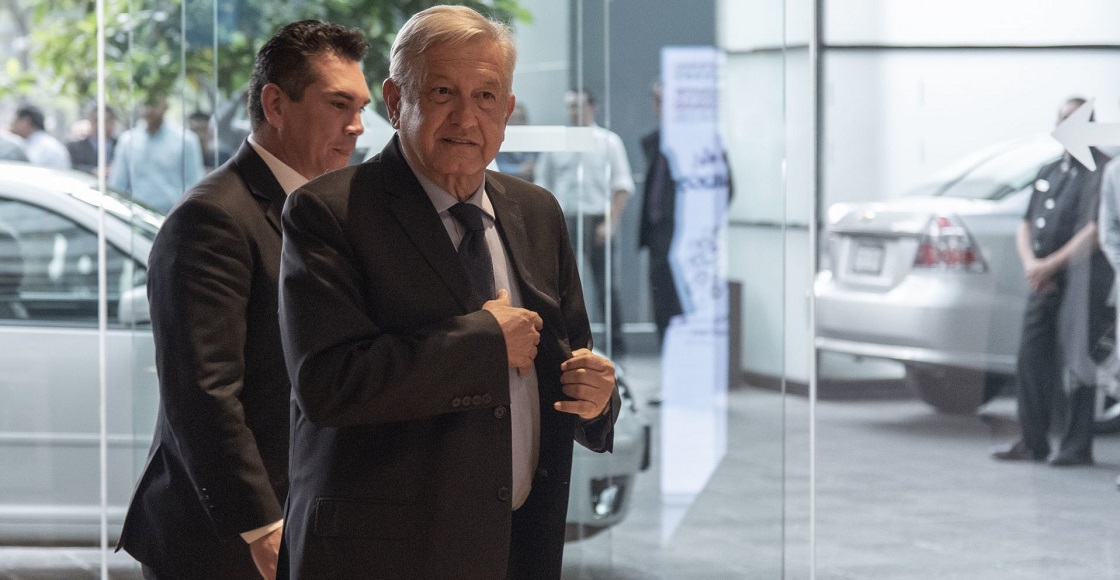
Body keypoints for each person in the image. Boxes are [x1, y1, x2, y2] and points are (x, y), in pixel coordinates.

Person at [277, 6, 620, 579]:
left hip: (517, 547)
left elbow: (569, 359)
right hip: (380, 558)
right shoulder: (328, 212)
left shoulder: (537, 212)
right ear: (395, 99)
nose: (466, 116)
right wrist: (484, 343)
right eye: (442, 91)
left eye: (486, 97)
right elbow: (328, 385)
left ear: (508, 111)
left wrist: (598, 398)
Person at [116, 20, 370, 580]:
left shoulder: (327, 210)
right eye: (338, 105)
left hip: (310, 516)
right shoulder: (212, 218)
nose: (356, 126)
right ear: (275, 104)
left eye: (361, 108)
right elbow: (203, 391)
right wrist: (261, 526)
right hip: (227, 538)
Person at [993, 97, 1111, 466]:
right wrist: (1033, 265)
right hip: (1043, 279)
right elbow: (1026, 223)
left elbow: (1094, 231)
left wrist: (1051, 266)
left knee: (1079, 363)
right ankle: (1033, 440)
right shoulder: (1051, 171)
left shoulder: (1101, 170)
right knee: (1031, 358)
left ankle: (1076, 447)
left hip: (1082, 281)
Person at [534, 88, 634, 355]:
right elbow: (543, 185)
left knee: (605, 286)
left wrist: (611, 222)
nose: (573, 111)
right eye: (569, 106)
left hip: (595, 219)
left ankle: (617, 348)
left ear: (593, 107)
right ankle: (566, 344)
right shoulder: (558, 142)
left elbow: (622, 186)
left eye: (578, 106)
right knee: (560, 285)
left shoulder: (608, 142)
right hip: (564, 219)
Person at [638, 79, 682, 345]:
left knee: (681, 308)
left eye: (665, 100)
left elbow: (726, 189)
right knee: (662, 307)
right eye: (656, 100)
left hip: (684, 239)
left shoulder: (699, 142)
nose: (659, 107)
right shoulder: (655, 142)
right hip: (658, 239)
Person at [109, 93, 205, 213]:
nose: (149, 109)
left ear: (166, 105)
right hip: (137, 219)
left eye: (154, 103)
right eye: (146, 103)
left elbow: (194, 185)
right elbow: (118, 186)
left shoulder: (186, 140)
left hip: (173, 219)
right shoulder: (127, 141)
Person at [9, 104, 71, 169]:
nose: (11, 126)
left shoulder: (41, 147)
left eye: (14, 121)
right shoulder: (42, 143)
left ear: (25, 122)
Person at [66, 103, 117, 175]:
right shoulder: (75, 147)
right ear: (90, 121)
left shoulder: (120, 145)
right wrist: (92, 171)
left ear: (113, 122)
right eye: (97, 120)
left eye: (106, 120)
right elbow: (71, 167)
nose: (101, 124)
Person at [495, 102, 537, 181]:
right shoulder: (497, 142)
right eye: (513, 118)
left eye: (520, 118)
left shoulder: (534, 143)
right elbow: (495, 167)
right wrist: (519, 169)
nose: (517, 122)